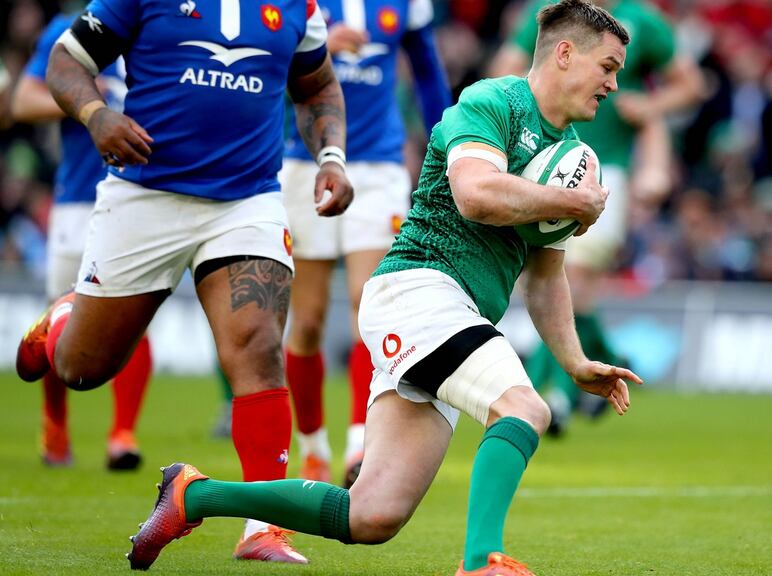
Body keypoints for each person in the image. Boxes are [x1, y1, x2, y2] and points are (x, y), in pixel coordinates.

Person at [125, 2, 641, 574]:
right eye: (608, 67)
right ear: (565, 53)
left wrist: (574, 362)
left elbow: (544, 275)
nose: (614, 85)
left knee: (371, 515)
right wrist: (571, 202)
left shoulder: (571, 156)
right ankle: (481, 562)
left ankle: (194, 496)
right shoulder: (493, 101)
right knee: (523, 407)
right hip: (418, 291)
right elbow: (475, 194)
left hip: (453, 314)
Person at [16, 0, 353, 565]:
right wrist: (97, 116)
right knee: (82, 368)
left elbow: (317, 85)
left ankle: (262, 526)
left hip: (246, 199)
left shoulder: (302, 6)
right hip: (144, 193)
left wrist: (333, 157)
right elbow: (66, 60)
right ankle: (61, 323)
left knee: (260, 347)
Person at [489, 0, 703, 434]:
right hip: (542, 163)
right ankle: (605, 356)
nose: (613, 83)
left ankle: (551, 396)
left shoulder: (642, 21)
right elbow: (504, 70)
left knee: (572, 276)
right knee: (569, 288)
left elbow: (691, 84)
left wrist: (650, 105)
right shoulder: (553, 14)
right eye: (608, 69)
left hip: (607, 170)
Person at [281, 0, 450, 487]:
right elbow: (265, 68)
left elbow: (427, 73)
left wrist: (449, 150)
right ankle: (313, 448)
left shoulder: (409, 5)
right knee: (307, 320)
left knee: (368, 302)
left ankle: (360, 444)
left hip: (379, 166)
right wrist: (315, 51)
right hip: (306, 160)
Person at [11, 13, 151, 471]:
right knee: (60, 314)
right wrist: (88, 103)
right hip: (78, 198)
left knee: (136, 313)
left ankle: (122, 434)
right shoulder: (71, 28)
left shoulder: (170, 19)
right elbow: (24, 101)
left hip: (143, 194)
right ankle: (55, 424)